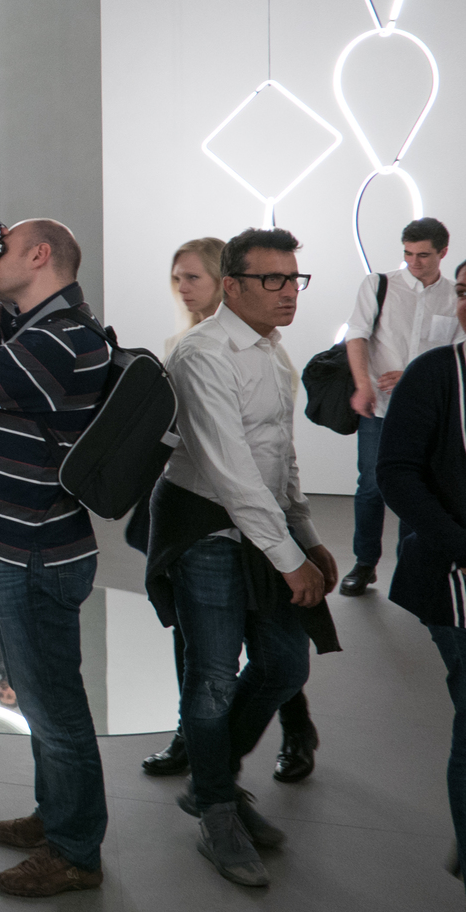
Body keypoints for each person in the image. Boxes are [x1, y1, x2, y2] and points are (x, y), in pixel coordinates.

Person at [146, 227, 340, 889]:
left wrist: (307, 533)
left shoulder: (270, 348)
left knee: (285, 662)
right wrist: (292, 559)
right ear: (234, 285)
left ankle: (210, 782)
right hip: (205, 529)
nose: (289, 293)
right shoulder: (202, 355)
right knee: (212, 678)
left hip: (263, 528)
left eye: (295, 279)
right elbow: (231, 472)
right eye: (274, 280)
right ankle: (220, 811)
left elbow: (279, 454)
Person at [0, 207, 110, 898]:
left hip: (35, 552)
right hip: (16, 544)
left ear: (39, 257)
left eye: (1, 251)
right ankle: (56, 813)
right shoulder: (37, 328)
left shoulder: (60, 343)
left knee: (55, 702)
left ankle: (74, 848)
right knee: (39, 696)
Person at [378, 258, 466, 882]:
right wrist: (458, 540)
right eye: (464, 293)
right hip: (453, 574)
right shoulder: (436, 374)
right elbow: (396, 472)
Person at [341, 217, 460, 597]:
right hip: (378, 406)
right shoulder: (379, 285)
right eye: (408, 254)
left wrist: (411, 375)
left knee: (418, 489)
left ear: (442, 252)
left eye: (423, 255)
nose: (414, 262)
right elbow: (356, 336)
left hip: (429, 414)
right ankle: (364, 564)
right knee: (372, 487)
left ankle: (409, 565)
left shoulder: (453, 296)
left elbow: (452, 352)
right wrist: (362, 385)